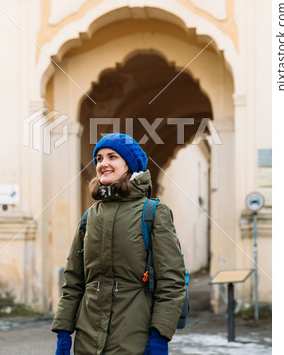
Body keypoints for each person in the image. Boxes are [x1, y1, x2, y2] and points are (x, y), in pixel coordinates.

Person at [52, 133, 186, 354]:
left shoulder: (153, 212)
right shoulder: (89, 217)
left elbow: (171, 281)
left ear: (129, 165)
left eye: (112, 157)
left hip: (134, 339)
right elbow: (74, 280)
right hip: (87, 341)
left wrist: (160, 335)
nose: (103, 164)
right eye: (99, 159)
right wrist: (63, 331)